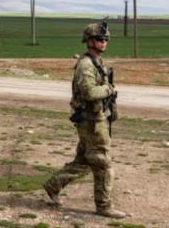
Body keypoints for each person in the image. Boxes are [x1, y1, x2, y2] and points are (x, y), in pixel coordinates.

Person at [42, 21, 126, 219]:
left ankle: (53, 185)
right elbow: (88, 92)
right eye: (99, 39)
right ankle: (104, 206)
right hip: (91, 121)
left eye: (106, 39)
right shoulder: (86, 64)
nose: (103, 42)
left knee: (85, 160)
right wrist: (109, 90)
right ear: (89, 41)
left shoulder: (97, 62)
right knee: (102, 162)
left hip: (96, 118)